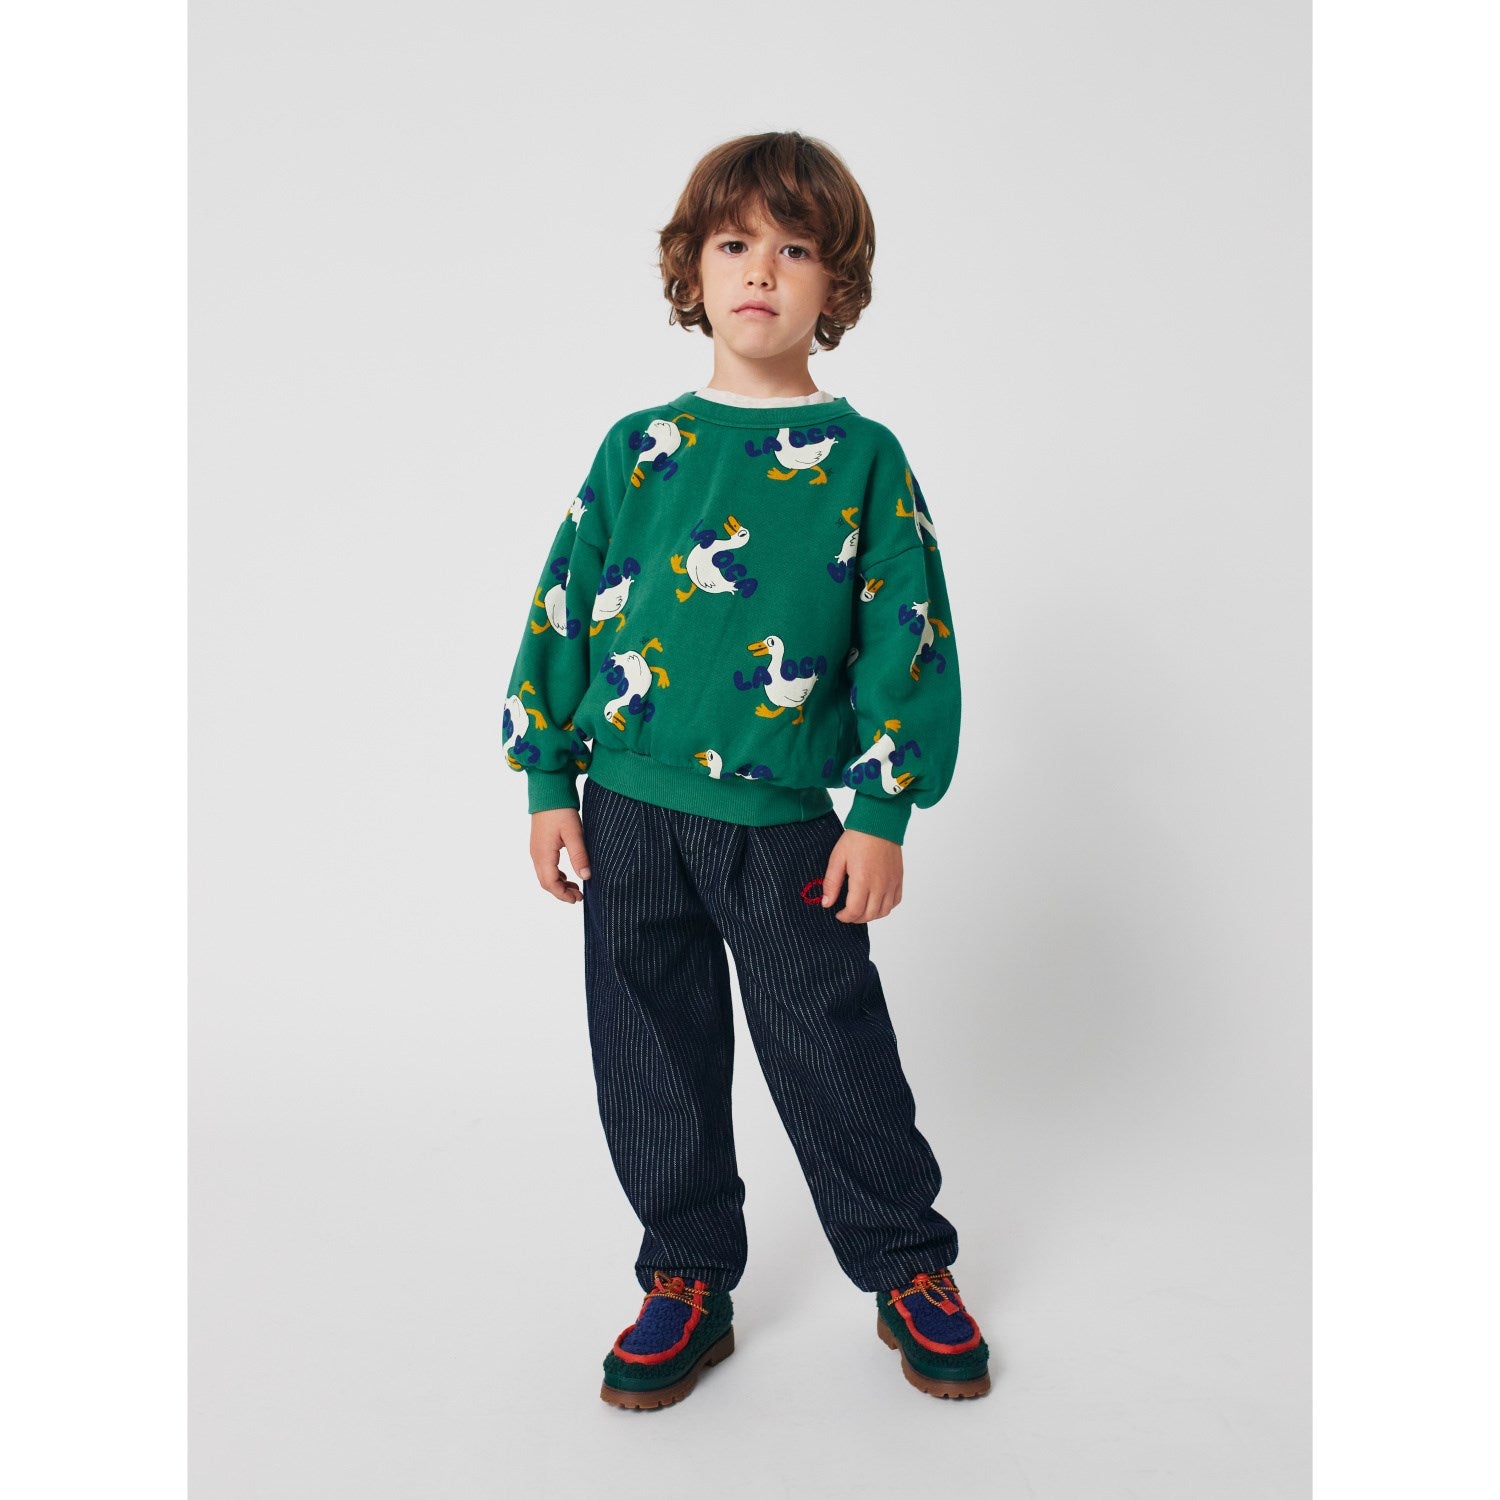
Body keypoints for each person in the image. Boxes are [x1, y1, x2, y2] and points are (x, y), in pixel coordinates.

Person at [501, 130, 990, 1408]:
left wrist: (880, 811)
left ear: (839, 285)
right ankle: (685, 1274)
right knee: (648, 1049)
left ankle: (907, 1265)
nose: (761, 271)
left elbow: (906, 636)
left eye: (794, 249)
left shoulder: (863, 459)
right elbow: (565, 607)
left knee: (830, 1046)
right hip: (627, 808)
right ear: (693, 271)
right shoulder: (639, 448)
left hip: (781, 829)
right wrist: (549, 780)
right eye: (734, 244)